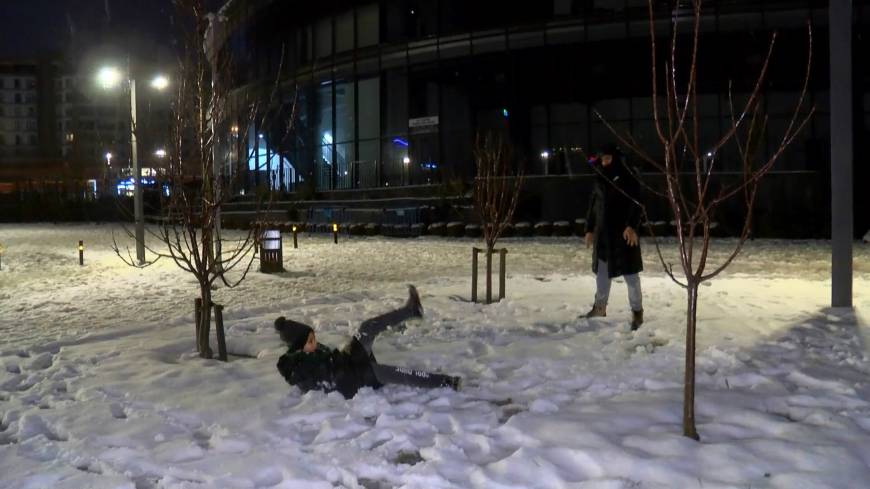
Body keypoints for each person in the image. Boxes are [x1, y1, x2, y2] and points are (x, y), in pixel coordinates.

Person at [275, 285, 462, 399]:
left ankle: (411, 310)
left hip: (348, 364)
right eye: (310, 341)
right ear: (300, 348)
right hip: (352, 381)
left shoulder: (308, 354)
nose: (315, 342)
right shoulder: (301, 369)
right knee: (391, 373)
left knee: (366, 327)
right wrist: (351, 365)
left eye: (314, 338)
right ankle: (444, 382)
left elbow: (331, 360)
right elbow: (330, 381)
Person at [583, 143, 644, 330]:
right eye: (602, 159)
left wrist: (632, 226)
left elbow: (638, 203)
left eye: (608, 158)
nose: (604, 162)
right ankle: (600, 307)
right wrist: (590, 229)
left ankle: (637, 312)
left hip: (623, 234)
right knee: (602, 274)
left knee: (631, 276)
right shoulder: (599, 178)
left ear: (615, 158)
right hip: (603, 235)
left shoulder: (628, 176)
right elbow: (594, 205)